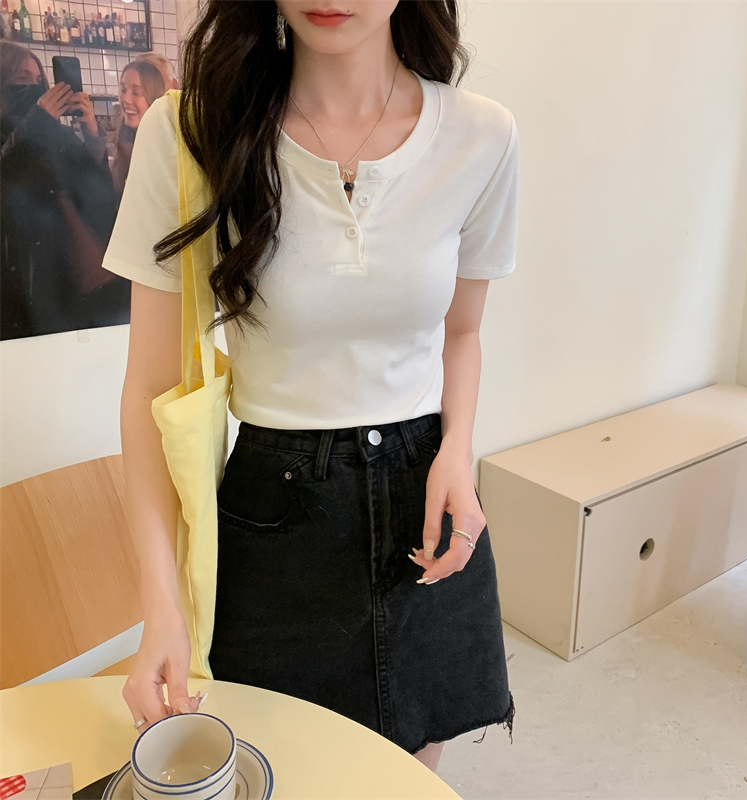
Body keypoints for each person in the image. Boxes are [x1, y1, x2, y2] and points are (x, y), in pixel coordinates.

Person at [101, 0, 519, 773]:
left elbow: (463, 333)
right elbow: (148, 391)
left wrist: (457, 453)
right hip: (275, 514)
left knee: (406, 773)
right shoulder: (190, 132)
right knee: (284, 768)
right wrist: (161, 608)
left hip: (421, 495)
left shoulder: (482, 135)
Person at [0, 40, 125, 339]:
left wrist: (92, 135)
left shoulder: (56, 132)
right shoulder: (27, 130)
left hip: (70, 279)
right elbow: (9, 178)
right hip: (23, 284)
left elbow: (96, 193)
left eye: (38, 80)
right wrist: (38, 122)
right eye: (22, 79)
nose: (34, 87)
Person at [109, 56, 172, 199]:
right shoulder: (126, 140)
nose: (125, 99)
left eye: (136, 92)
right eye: (123, 90)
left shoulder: (168, 150)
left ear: (154, 98)